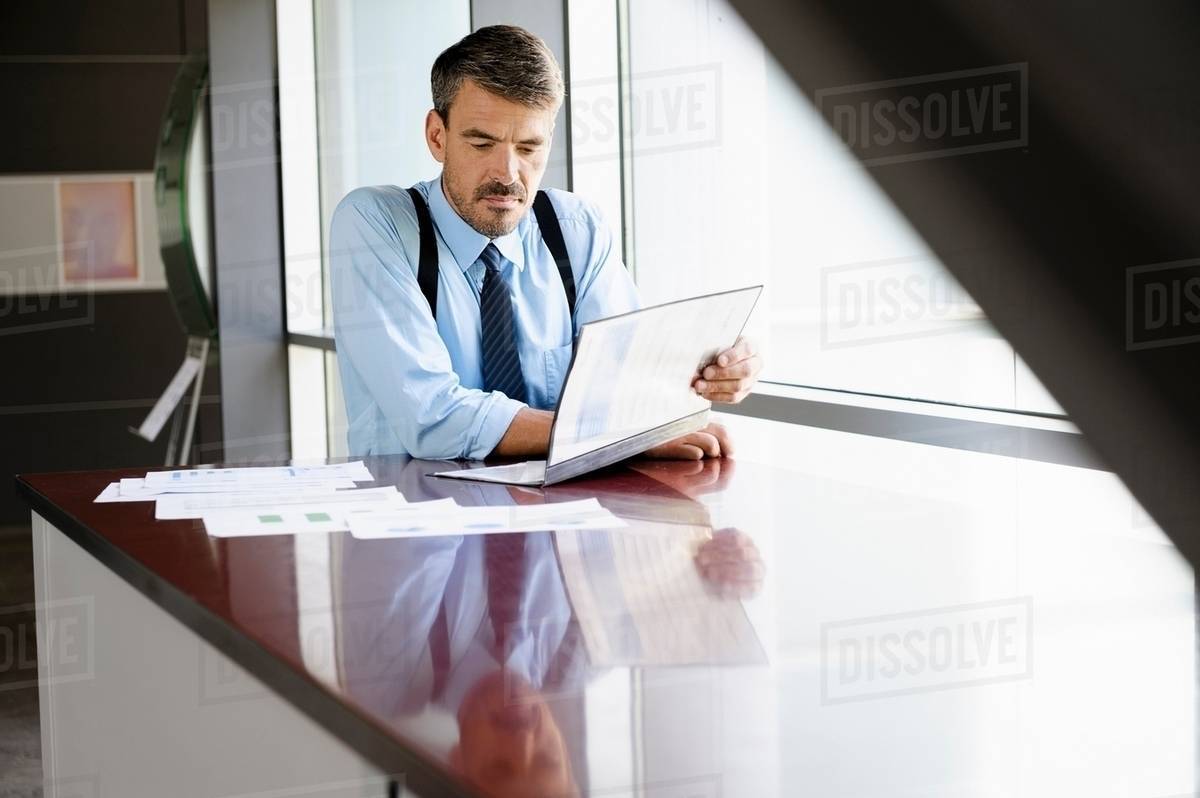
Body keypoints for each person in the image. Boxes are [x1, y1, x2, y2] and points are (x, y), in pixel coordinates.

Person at [330, 25, 763, 462]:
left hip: (559, 513)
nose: (507, 173)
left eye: (529, 147)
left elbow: (626, 381)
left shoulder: (576, 229)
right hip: (417, 514)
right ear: (436, 136)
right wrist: (621, 434)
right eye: (482, 143)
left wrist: (709, 368)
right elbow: (432, 417)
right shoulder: (375, 223)